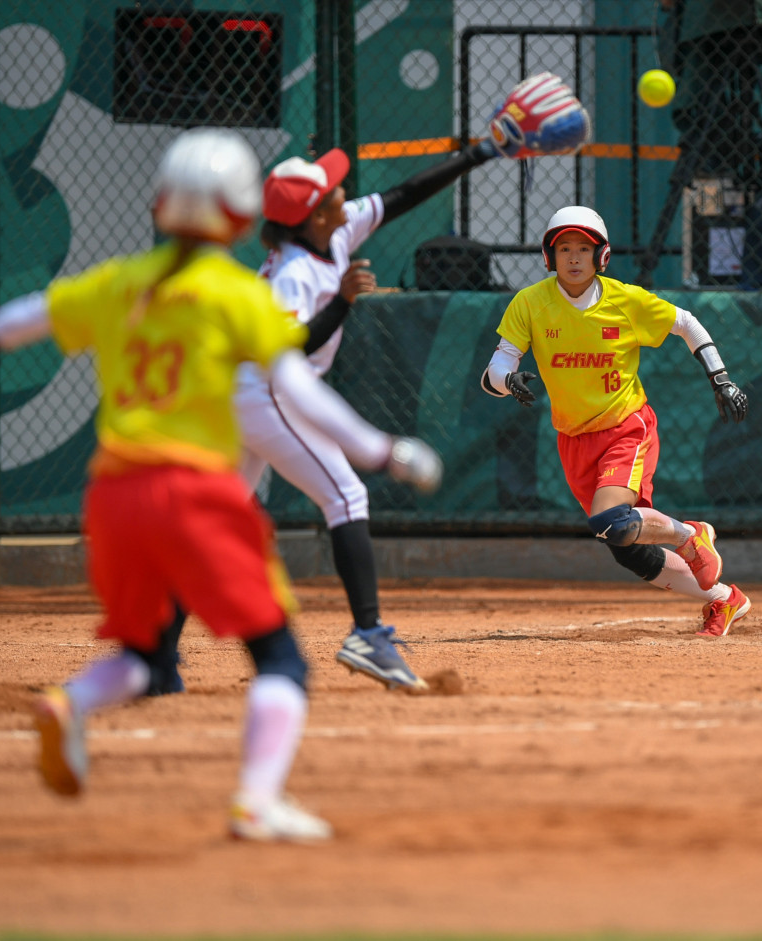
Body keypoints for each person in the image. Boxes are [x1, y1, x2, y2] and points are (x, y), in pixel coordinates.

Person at [0, 128, 442, 842]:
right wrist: (382, 449)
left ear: (159, 206)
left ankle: (70, 705)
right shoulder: (237, 293)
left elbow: (16, 321)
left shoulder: (119, 281)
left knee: (140, 654)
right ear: (244, 219)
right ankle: (256, 800)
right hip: (194, 491)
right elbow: (300, 393)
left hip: (116, 495)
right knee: (279, 656)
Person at [146, 72, 593, 695]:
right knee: (347, 497)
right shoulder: (295, 274)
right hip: (269, 394)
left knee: (219, 521)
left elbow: (405, 193)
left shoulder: (332, 230)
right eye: (331, 190)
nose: (344, 192)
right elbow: (286, 347)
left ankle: (156, 655)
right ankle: (368, 633)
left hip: (265, 395)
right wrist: (344, 304)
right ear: (311, 214)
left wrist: (484, 149)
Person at [481, 205, 751, 637]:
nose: (573, 258)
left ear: (600, 256)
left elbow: (687, 323)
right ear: (549, 257)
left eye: (583, 249)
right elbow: (494, 370)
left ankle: (690, 534)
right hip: (573, 438)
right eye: (564, 248)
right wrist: (508, 379)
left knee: (611, 521)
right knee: (624, 545)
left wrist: (721, 379)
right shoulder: (530, 303)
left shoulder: (624, 299)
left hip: (626, 427)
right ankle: (724, 599)